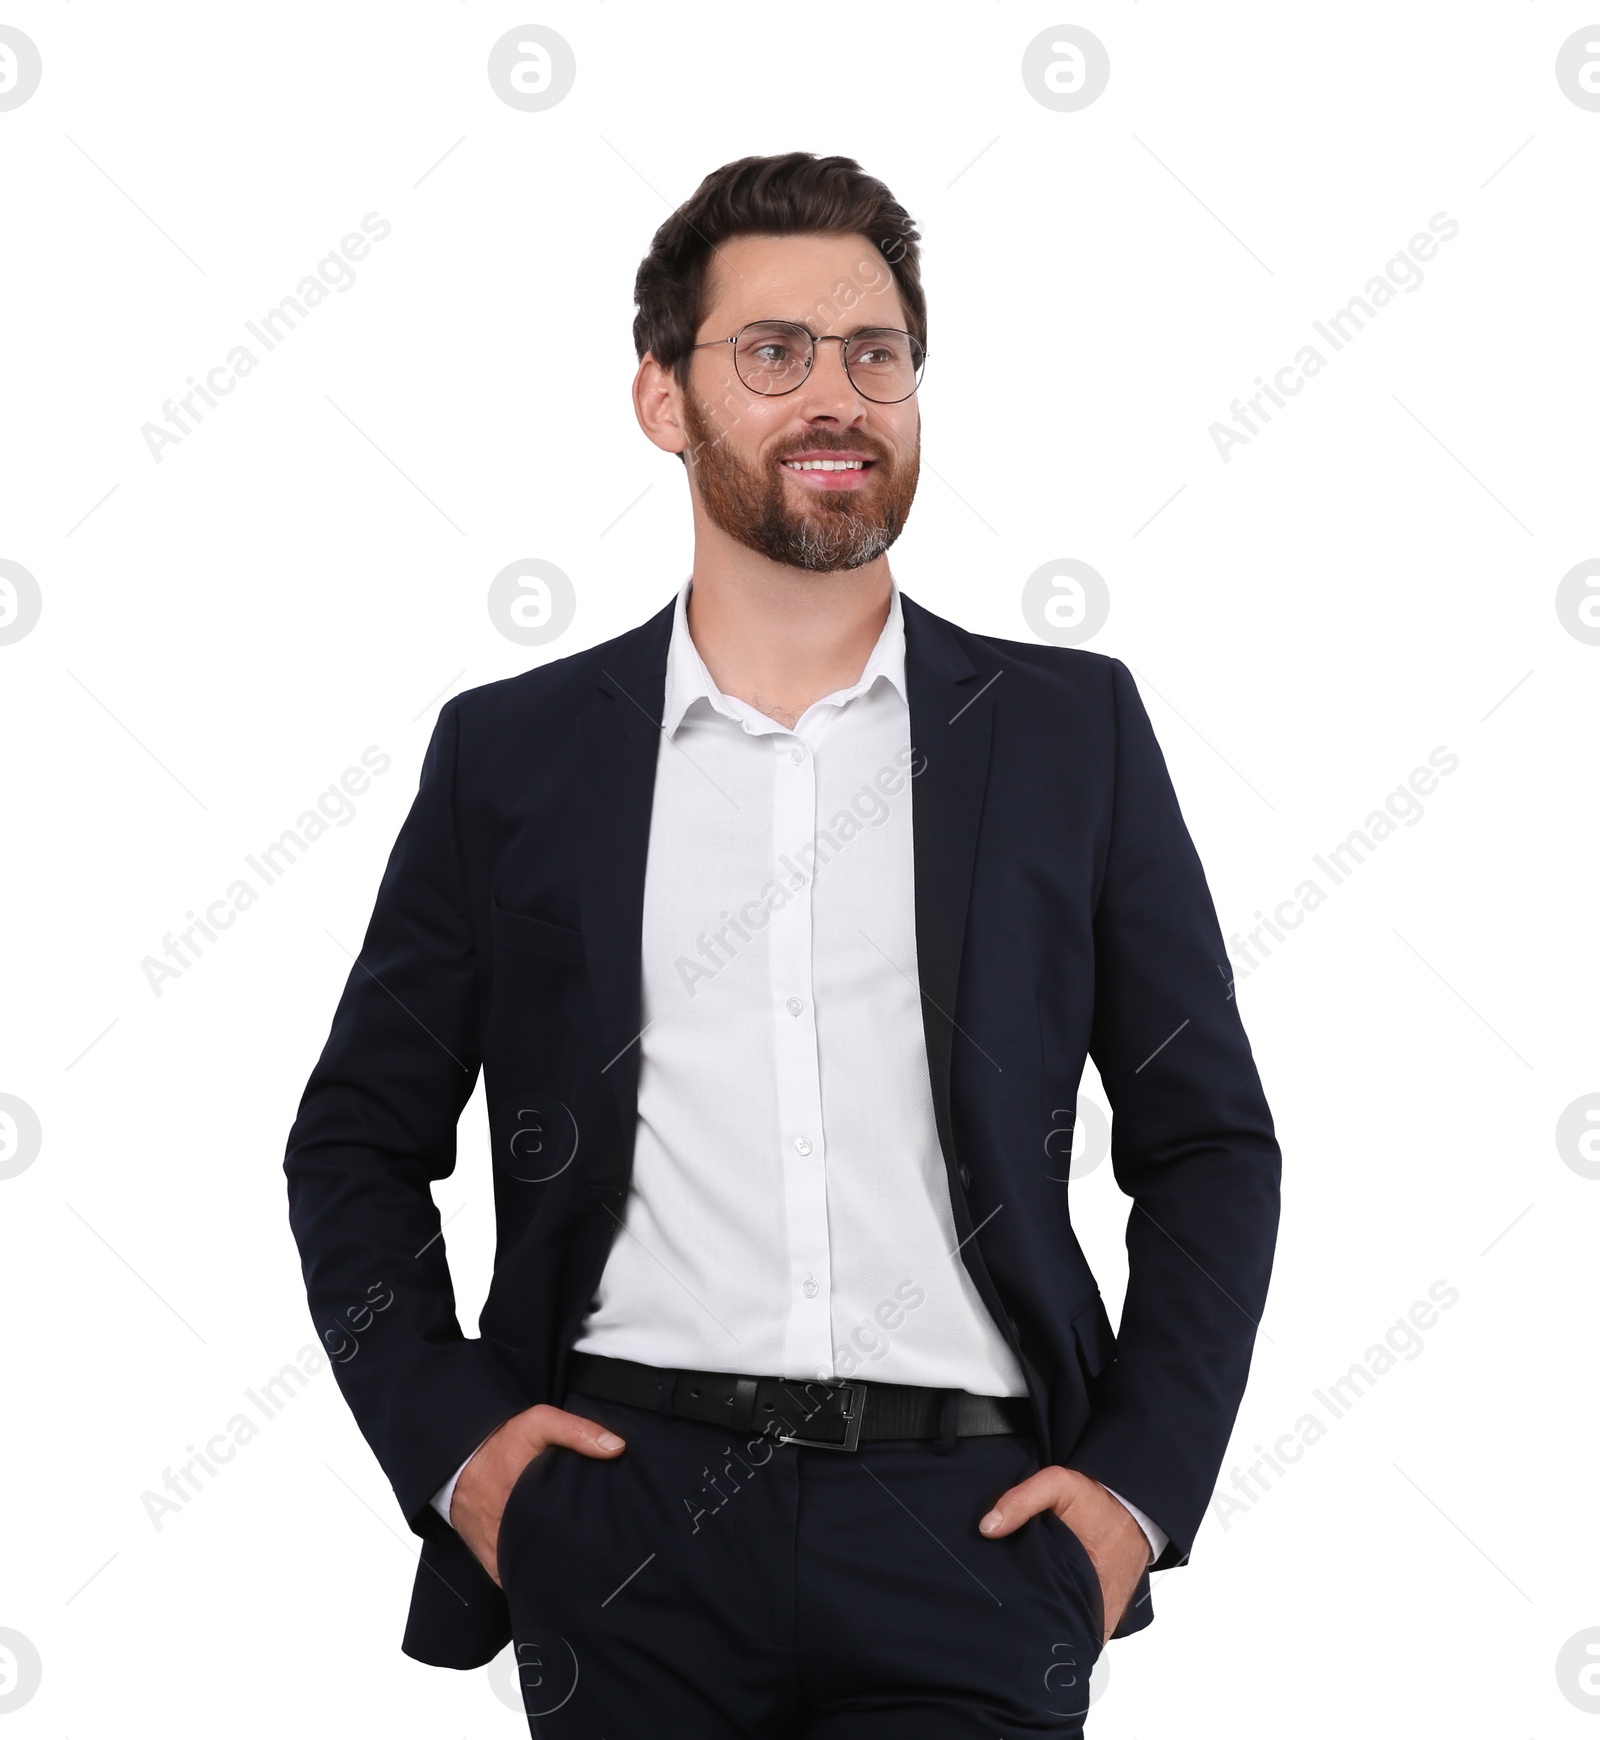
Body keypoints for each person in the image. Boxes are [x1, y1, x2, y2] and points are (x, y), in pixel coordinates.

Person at [284, 151, 1281, 1737]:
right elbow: (354, 1143)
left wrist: (1133, 1495)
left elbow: (1210, 1141)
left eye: (875, 355)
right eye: (775, 354)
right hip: (620, 1528)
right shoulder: (515, 756)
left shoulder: (1066, 734)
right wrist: (467, 1458)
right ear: (663, 401)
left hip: (976, 1534)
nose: (838, 398)